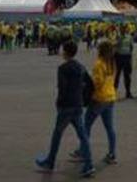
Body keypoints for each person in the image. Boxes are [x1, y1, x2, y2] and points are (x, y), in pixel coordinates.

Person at [34, 40, 95, 177]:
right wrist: (84, 99)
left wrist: (59, 103)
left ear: (65, 52)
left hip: (66, 106)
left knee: (57, 134)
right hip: (77, 105)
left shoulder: (63, 68)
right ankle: (89, 164)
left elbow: (62, 88)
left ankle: (50, 161)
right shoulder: (81, 67)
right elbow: (90, 84)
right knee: (83, 135)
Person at [76, 41, 118, 165]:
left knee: (86, 126)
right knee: (109, 128)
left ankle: (83, 151)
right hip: (110, 97)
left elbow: (97, 83)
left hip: (99, 99)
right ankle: (112, 153)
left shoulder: (99, 64)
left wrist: (88, 80)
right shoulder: (111, 63)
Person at [113, 29, 134, 99]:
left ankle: (128, 92)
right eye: (122, 31)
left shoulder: (129, 37)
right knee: (117, 75)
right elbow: (114, 46)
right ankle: (113, 92)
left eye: (124, 31)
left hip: (126, 57)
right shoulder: (117, 37)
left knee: (127, 76)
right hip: (119, 57)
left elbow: (131, 47)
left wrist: (130, 57)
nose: (123, 32)